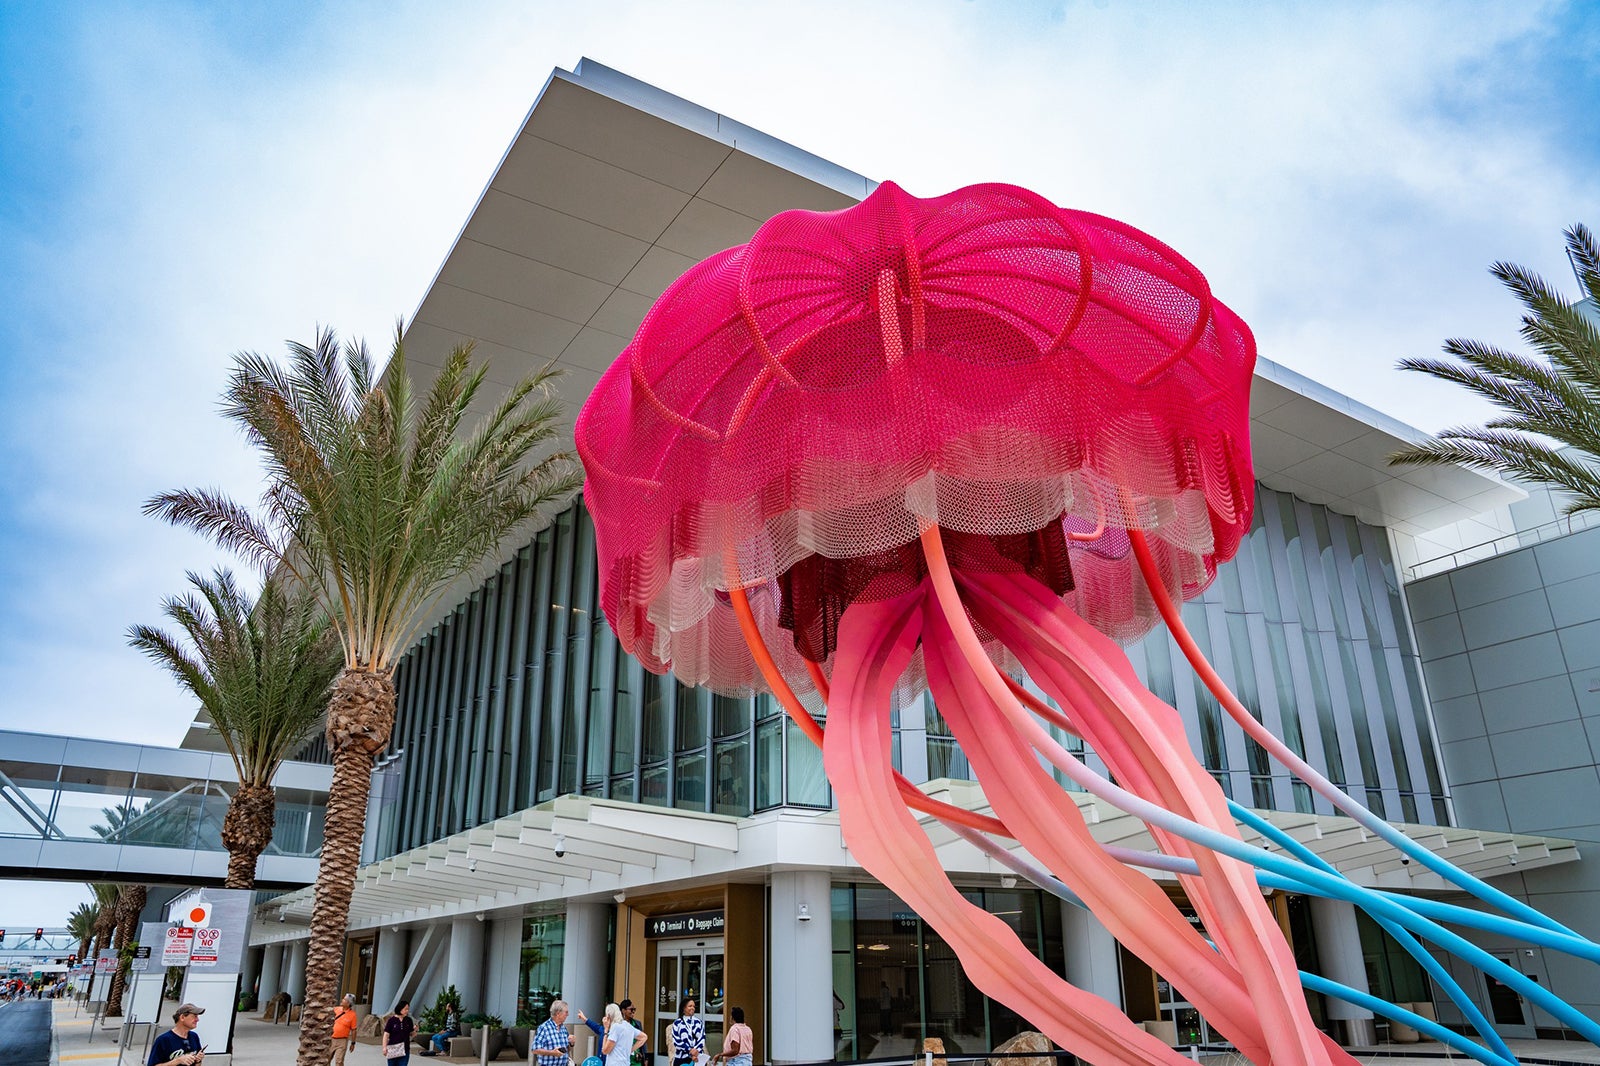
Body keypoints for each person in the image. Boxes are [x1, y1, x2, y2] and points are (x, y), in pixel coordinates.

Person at [579, 999, 645, 1064]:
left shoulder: (615, 1027)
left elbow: (605, 1051)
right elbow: (643, 1037)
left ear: (609, 1015)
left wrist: (606, 1030)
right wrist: (630, 1050)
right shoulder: (628, 1026)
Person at [533, 1000, 574, 1064]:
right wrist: (552, 1053)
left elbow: (566, 1050)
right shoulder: (544, 1028)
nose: (568, 1014)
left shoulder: (563, 1028)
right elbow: (535, 1049)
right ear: (558, 1013)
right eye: (566, 1012)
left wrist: (571, 1043)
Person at [668, 998, 705, 1066]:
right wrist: (690, 1050)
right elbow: (677, 1041)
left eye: (694, 1006)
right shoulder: (677, 1023)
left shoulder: (699, 1022)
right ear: (684, 1008)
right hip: (681, 1058)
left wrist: (696, 1051)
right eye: (690, 1006)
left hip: (697, 1058)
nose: (692, 1008)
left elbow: (702, 1039)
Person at [383, 999, 416, 1066]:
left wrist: (415, 1030)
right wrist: (384, 1047)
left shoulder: (408, 1020)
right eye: (405, 1009)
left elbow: (412, 1034)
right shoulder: (391, 1020)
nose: (407, 1011)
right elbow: (386, 1034)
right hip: (393, 1048)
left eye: (408, 1009)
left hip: (405, 1049)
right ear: (400, 1009)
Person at [331, 993, 359, 1066]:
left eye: (344, 999)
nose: (342, 1000)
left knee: (339, 1061)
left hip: (342, 1041)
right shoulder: (336, 1009)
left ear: (348, 1003)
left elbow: (354, 1030)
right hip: (331, 1039)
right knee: (326, 1059)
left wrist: (353, 1043)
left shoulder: (353, 1015)